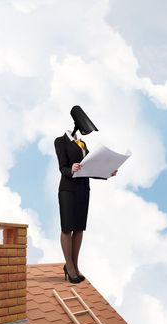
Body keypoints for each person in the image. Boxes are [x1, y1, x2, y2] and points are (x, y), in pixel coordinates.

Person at [54, 105, 117, 283]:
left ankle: (74, 265)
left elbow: (90, 168)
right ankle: (70, 267)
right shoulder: (60, 141)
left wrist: (106, 173)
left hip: (83, 189)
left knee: (79, 228)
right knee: (67, 228)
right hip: (67, 189)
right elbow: (62, 167)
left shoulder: (83, 144)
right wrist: (71, 169)